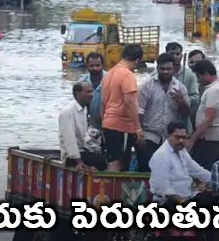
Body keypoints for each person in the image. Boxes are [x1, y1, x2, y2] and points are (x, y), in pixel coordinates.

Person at [136, 53, 190, 172]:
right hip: (150, 135)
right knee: (147, 169)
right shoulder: (147, 86)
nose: (166, 72)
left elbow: (185, 114)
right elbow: (139, 112)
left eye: (169, 69)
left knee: (170, 171)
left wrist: (181, 101)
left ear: (174, 69)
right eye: (162, 69)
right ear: (157, 68)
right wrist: (139, 134)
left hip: (171, 138)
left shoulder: (180, 88)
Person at [101, 44, 144, 172]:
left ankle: (109, 189)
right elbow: (130, 102)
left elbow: (103, 102)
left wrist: (104, 121)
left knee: (113, 159)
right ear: (137, 60)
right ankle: (114, 191)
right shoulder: (127, 75)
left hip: (108, 123)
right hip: (122, 126)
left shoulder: (109, 74)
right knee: (118, 162)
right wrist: (138, 128)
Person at [149, 121, 212, 207]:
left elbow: (199, 172)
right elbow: (163, 188)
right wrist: (183, 202)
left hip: (187, 198)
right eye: (177, 137)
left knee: (211, 198)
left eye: (184, 137)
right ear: (168, 136)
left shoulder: (182, 152)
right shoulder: (161, 155)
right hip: (168, 202)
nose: (181, 140)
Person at [187, 59, 219, 171]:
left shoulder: (213, 91)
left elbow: (208, 118)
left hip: (211, 138)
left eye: (199, 76)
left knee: (204, 171)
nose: (198, 80)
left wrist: (193, 138)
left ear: (206, 73)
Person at [59, 81, 107, 171]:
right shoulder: (68, 112)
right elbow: (69, 140)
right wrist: (79, 162)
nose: (92, 95)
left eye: (92, 91)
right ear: (77, 93)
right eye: (88, 92)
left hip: (84, 151)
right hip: (72, 157)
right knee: (105, 161)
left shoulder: (83, 110)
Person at [165, 42, 200, 133]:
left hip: (182, 121)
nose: (175, 56)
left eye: (177, 54)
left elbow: (196, 98)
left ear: (181, 56)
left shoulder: (190, 75)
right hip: (164, 123)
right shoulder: (158, 74)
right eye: (171, 54)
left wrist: (183, 99)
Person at [79, 53, 105, 130]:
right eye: (92, 66)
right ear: (87, 66)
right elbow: (79, 108)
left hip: (108, 123)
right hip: (90, 124)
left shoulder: (110, 80)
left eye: (97, 65)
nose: (95, 68)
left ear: (102, 65)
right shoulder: (81, 83)